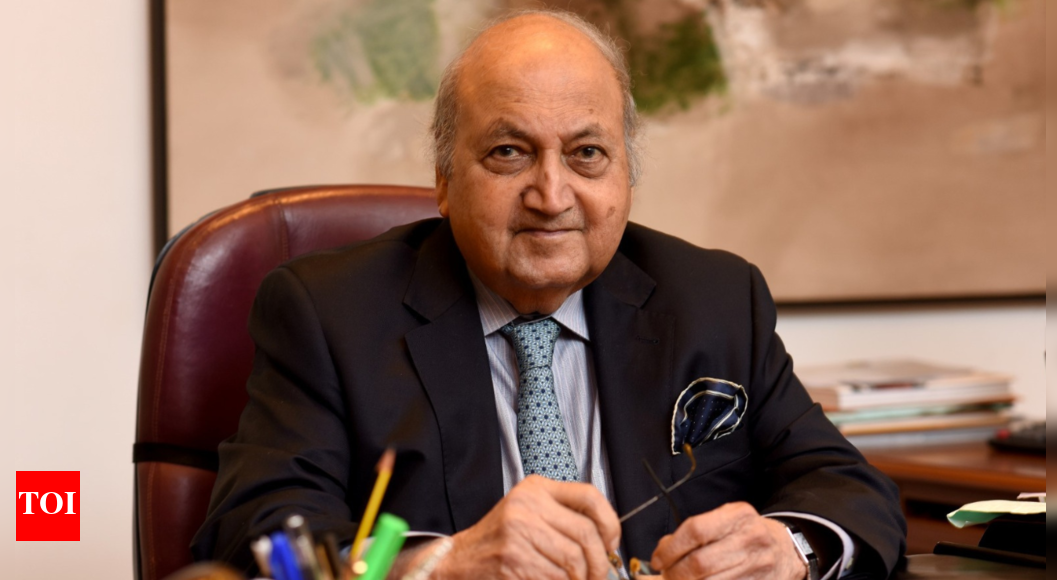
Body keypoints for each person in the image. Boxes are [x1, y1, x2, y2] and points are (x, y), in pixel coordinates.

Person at [192, 10, 906, 580]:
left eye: (586, 154)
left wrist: (788, 549)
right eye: (509, 152)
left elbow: (848, 489)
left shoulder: (714, 298)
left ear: (625, 175)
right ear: (444, 179)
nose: (551, 195)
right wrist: (440, 566)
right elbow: (259, 532)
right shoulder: (328, 313)